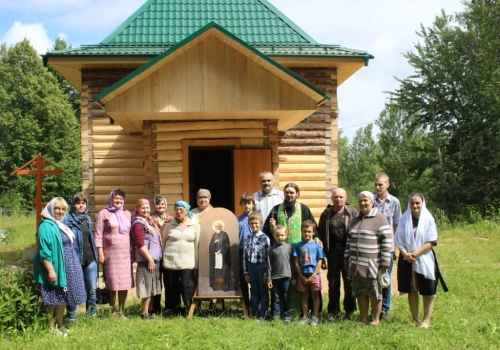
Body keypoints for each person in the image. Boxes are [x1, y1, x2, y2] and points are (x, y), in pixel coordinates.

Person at [33, 197, 86, 336]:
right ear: (51, 209)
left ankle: (60, 325)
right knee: (52, 298)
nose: (60, 211)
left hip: (66, 266)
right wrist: (50, 270)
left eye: (63, 209)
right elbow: (45, 251)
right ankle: (51, 328)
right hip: (55, 267)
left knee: (62, 297)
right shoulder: (45, 225)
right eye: (57, 208)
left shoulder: (60, 224)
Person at [395, 193, 443, 329]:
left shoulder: (428, 219)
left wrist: (416, 253)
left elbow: (432, 240)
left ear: (422, 204)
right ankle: (415, 319)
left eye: (417, 203)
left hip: (424, 258)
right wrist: (405, 253)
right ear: (408, 204)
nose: (415, 206)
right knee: (412, 289)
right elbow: (398, 238)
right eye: (412, 203)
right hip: (407, 259)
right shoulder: (404, 219)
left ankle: (426, 320)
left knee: (428, 290)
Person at [344, 191, 392, 325]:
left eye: (365, 200)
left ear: (372, 202)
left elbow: (387, 242)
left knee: (374, 292)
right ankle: (363, 318)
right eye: (360, 201)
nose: (363, 203)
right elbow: (349, 241)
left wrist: (385, 262)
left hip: (373, 264)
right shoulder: (355, 218)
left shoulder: (380, 218)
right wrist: (347, 258)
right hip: (356, 264)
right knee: (360, 292)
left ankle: (376, 319)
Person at [318, 188, 357, 321]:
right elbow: (321, 235)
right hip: (333, 252)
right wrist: (322, 255)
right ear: (331, 198)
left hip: (348, 252)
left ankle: (349, 310)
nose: (338, 199)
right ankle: (333, 311)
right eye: (336, 197)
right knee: (333, 283)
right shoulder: (326, 214)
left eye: (341, 197)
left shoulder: (352, 213)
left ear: (345, 198)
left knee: (349, 282)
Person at [95, 188, 134, 318]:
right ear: (111, 199)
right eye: (116, 198)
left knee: (124, 282)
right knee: (112, 282)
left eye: (121, 198)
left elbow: (131, 234)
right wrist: (100, 252)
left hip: (125, 254)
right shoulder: (104, 213)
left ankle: (122, 311)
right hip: (110, 253)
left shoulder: (127, 214)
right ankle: (113, 310)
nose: (118, 200)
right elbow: (98, 234)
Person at [63, 193, 98, 320]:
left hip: (90, 258)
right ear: (73, 205)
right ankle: (71, 316)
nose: (81, 205)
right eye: (78, 203)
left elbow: (90, 239)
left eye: (83, 203)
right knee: (73, 287)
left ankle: (91, 313)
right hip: (75, 259)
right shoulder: (67, 219)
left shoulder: (87, 219)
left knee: (92, 288)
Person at [162, 201, 200, 315]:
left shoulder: (195, 225)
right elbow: (163, 243)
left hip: (187, 263)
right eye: (176, 209)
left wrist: (197, 266)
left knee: (186, 286)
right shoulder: (169, 225)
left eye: (181, 210)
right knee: (171, 286)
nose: (178, 212)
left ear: (187, 211)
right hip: (170, 262)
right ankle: (173, 309)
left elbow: (197, 245)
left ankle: (190, 309)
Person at [373, 172, 402, 320]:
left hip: (388, 247)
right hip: (373, 247)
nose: (378, 187)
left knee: (385, 278)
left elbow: (398, 225)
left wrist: (396, 248)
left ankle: (385, 308)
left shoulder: (395, 202)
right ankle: (375, 308)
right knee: (373, 277)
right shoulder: (371, 200)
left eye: (381, 184)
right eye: (376, 185)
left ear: (387, 184)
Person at [131, 199, 162, 320]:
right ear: (138, 209)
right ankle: (144, 313)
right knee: (146, 286)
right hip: (146, 260)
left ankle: (150, 310)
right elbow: (140, 244)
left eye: (147, 208)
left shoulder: (149, 221)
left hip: (154, 259)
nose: (146, 210)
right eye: (143, 208)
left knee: (152, 286)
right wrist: (149, 259)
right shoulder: (138, 223)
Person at [294, 220, 325, 326]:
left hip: (314, 275)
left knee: (315, 295)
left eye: (309, 231)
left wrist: (313, 275)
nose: (306, 234)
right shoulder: (298, 246)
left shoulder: (317, 245)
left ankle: (315, 316)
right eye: (304, 231)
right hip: (302, 274)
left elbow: (320, 260)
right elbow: (296, 262)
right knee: (304, 295)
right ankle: (305, 316)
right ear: (301, 232)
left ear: (313, 232)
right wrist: (301, 276)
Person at [243, 212, 270, 320]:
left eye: (256, 223)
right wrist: (246, 272)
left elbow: (268, 257)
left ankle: (262, 313)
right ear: (249, 224)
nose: (254, 225)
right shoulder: (247, 238)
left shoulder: (265, 238)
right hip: (251, 267)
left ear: (261, 224)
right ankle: (255, 312)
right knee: (254, 290)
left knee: (263, 290)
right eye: (252, 223)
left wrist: (267, 273)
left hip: (261, 267)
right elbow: (244, 256)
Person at [266, 225, 295, 322]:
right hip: (275, 278)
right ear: (274, 236)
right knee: (276, 298)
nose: (280, 237)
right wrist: (269, 279)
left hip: (287, 277)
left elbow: (292, 263)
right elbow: (269, 265)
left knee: (286, 297)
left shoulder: (289, 248)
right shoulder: (271, 249)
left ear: (286, 235)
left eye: (282, 235)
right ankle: (276, 315)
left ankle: (287, 315)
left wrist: (294, 276)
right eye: (277, 235)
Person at [150, 195, 173, 315]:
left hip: (169, 253)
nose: (160, 206)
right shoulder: (150, 219)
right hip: (156, 254)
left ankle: (170, 306)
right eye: (158, 204)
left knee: (169, 281)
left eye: (163, 204)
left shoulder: (171, 219)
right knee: (156, 281)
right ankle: (156, 307)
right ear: (154, 206)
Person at [237, 192, 254, 310]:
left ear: (253, 204)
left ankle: (255, 304)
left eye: (249, 203)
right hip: (241, 252)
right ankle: (245, 305)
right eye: (244, 203)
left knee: (254, 279)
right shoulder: (237, 220)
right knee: (243, 280)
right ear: (241, 204)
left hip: (255, 252)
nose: (247, 206)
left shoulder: (258, 218)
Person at [209, 220, 234, 291]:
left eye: (219, 226)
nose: (217, 227)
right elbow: (210, 246)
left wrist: (222, 250)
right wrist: (214, 243)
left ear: (221, 227)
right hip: (215, 256)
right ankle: (216, 286)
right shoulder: (214, 235)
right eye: (216, 226)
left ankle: (224, 286)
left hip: (223, 257)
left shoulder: (224, 234)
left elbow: (227, 245)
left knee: (223, 270)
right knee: (216, 270)